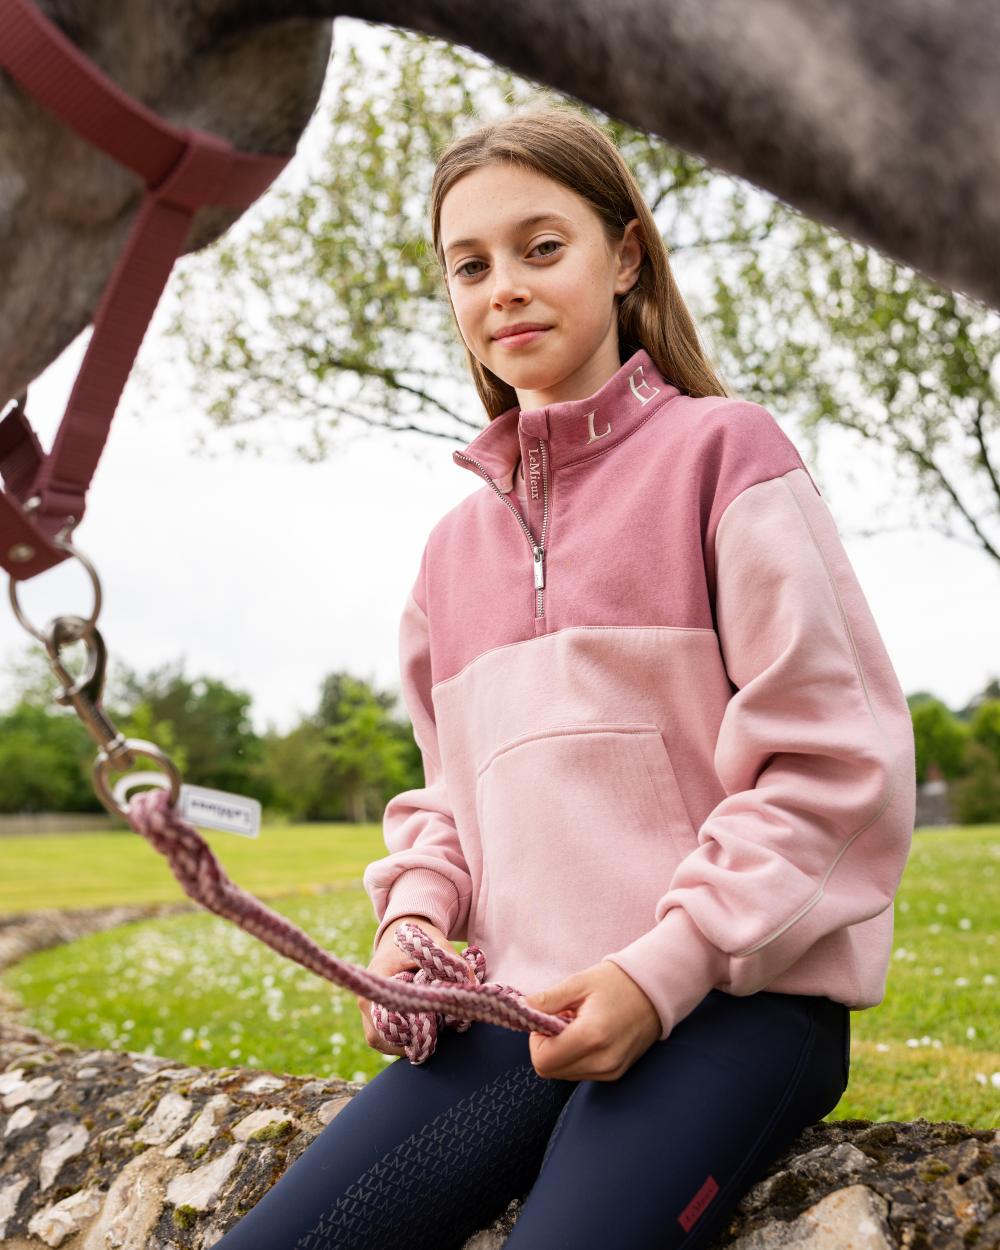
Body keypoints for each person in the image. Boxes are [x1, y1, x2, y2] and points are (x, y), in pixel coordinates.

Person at [213, 102, 916, 1250]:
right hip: (517, 1012)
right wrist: (415, 923)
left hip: (738, 1003)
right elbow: (451, 800)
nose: (506, 287)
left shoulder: (726, 455)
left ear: (624, 253)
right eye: (470, 265)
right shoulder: (449, 552)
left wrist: (661, 969)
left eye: (543, 247)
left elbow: (838, 767)